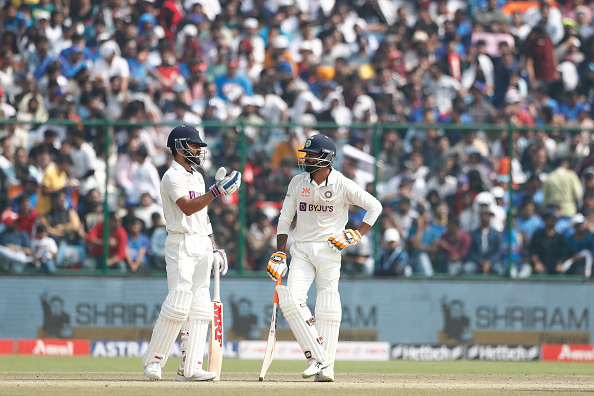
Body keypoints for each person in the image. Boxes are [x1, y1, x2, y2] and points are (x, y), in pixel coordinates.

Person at [266, 134, 382, 382]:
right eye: (306, 154)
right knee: (292, 301)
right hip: (302, 250)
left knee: (328, 306)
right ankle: (319, 357)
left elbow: (375, 206)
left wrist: (356, 235)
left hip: (330, 250)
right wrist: (279, 251)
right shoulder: (297, 182)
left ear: (327, 158)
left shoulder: (342, 183)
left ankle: (325, 369)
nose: (306, 158)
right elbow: (285, 219)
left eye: (311, 154)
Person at [142, 125, 241, 382]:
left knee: (201, 310)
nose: (199, 150)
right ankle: (154, 361)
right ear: (179, 148)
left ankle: (190, 368)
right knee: (178, 304)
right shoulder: (171, 176)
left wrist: (215, 245)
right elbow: (186, 208)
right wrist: (217, 191)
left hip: (202, 245)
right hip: (180, 243)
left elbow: (202, 216)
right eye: (194, 146)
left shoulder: (197, 176)